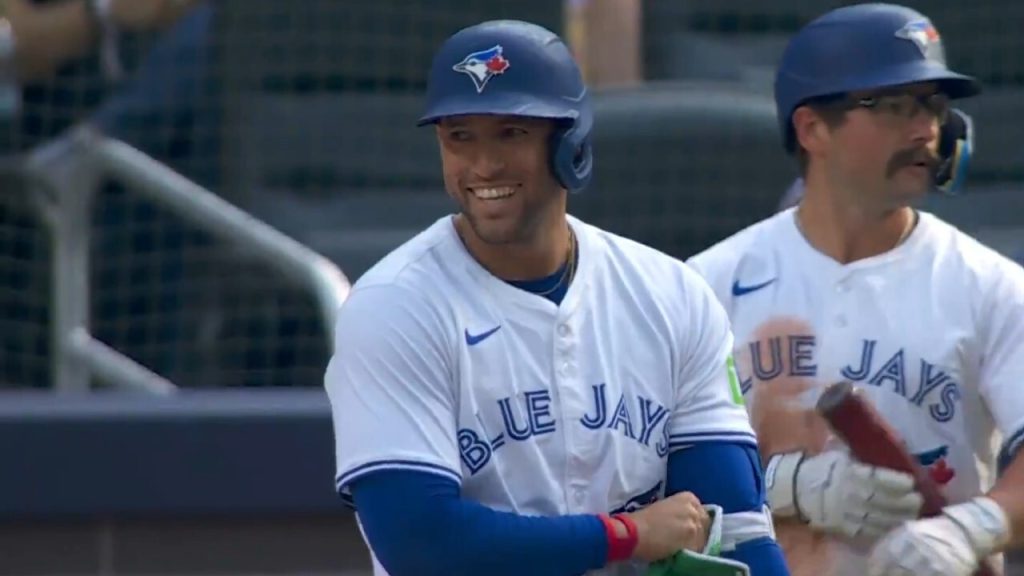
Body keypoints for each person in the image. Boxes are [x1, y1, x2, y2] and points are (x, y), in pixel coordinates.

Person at [324, 19, 789, 576]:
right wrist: (626, 535)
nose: (483, 165)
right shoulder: (394, 306)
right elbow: (419, 541)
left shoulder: (672, 296)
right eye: (460, 136)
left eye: (511, 133)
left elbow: (733, 528)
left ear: (570, 142)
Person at [686, 4, 1024, 576]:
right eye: (895, 106)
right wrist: (788, 486)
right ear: (812, 127)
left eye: (934, 107)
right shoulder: (704, 285)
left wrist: (974, 527)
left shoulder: (992, 287)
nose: (927, 130)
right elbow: (647, 469)